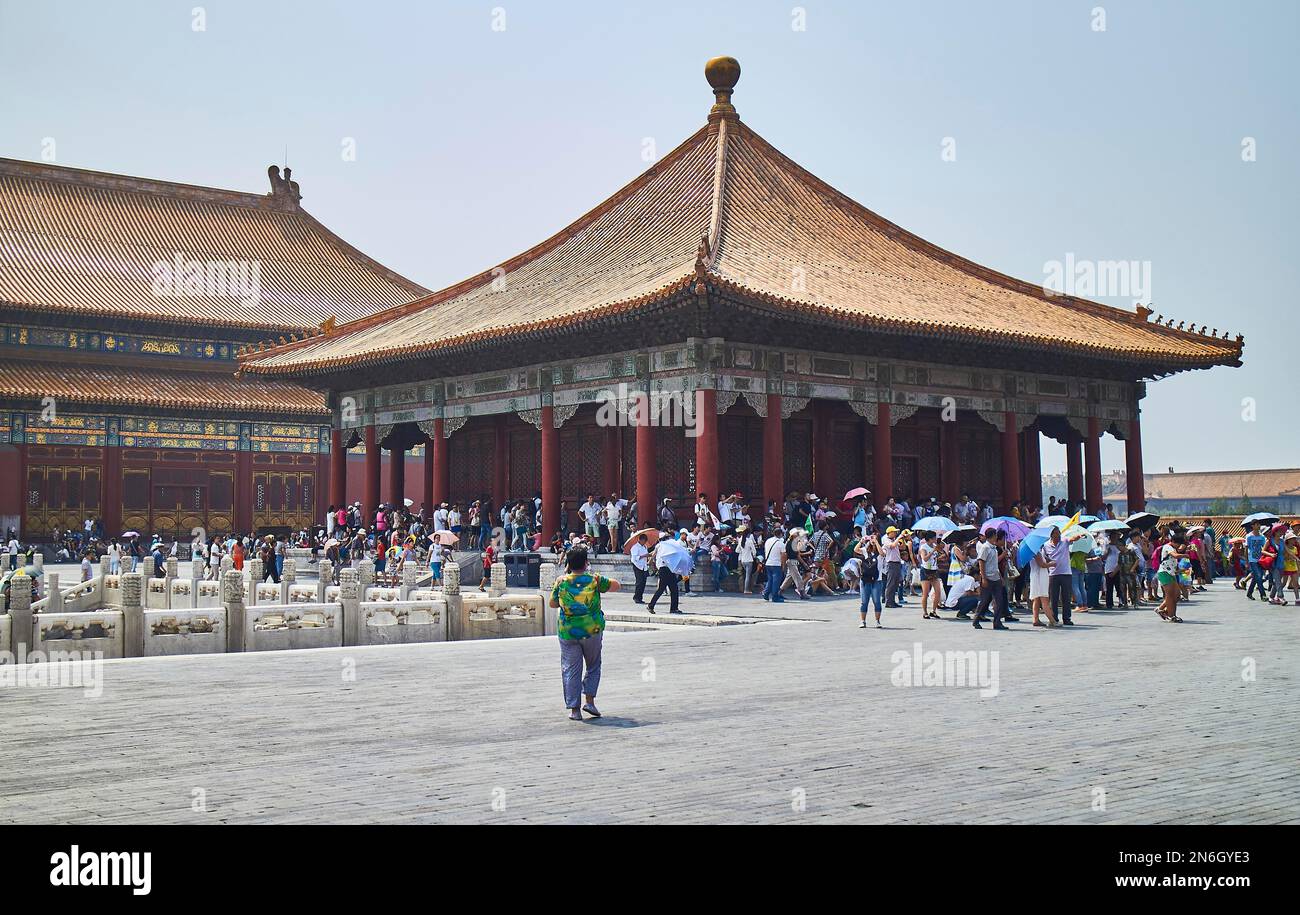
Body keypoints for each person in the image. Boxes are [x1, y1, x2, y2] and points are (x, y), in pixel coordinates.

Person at [550, 546, 619, 720]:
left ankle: (575, 710)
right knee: (594, 665)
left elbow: (552, 603)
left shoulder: (561, 581)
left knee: (571, 669)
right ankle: (590, 701)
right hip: (592, 630)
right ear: (586, 562)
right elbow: (616, 585)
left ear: (568, 564)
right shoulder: (595, 579)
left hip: (568, 632)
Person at [971, 530, 1007, 630]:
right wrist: (983, 578)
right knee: (984, 601)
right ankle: (976, 620)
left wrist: (1000, 577)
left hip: (996, 578)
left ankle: (997, 622)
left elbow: (995, 565)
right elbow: (981, 562)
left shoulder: (994, 548)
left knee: (999, 601)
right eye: (995, 535)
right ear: (992, 536)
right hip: (988, 578)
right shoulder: (985, 547)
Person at [647, 540, 684, 614]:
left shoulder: (659, 546)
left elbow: (653, 555)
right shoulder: (667, 547)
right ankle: (651, 605)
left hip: (665, 569)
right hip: (666, 569)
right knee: (667, 589)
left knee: (672, 589)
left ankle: (673, 608)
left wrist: (650, 562)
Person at [761, 524, 787, 603]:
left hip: (768, 563)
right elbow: (783, 555)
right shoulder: (781, 543)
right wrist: (783, 565)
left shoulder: (768, 541)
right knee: (776, 581)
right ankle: (775, 597)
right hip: (776, 564)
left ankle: (766, 593)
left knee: (770, 580)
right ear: (780, 534)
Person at [630, 533, 650, 604]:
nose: (644, 542)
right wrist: (644, 555)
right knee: (639, 582)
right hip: (637, 566)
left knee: (643, 582)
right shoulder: (635, 547)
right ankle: (636, 597)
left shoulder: (645, 547)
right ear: (640, 540)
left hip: (644, 566)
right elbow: (634, 558)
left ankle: (640, 597)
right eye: (644, 540)